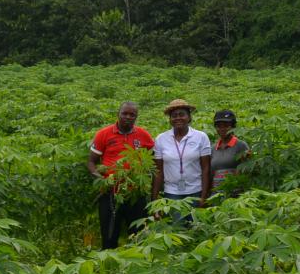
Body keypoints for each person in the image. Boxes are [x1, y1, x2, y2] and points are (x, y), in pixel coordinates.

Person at [86, 101, 154, 248]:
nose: (128, 117)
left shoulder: (144, 135)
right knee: (109, 236)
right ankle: (109, 266)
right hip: (110, 193)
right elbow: (91, 162)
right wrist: (103, 180)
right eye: (125, 113)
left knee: (138, 235)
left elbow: (153, 159)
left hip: (135, 194)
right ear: (118, 114)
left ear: (136, 117)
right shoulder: (103, 134)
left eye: (132, 115)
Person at [152, 98, 212, 211]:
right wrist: (155, 202)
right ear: (170, 119)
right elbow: (158, 171)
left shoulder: (201, 137)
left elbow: (206, 168)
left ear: (189, 117)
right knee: (177, 227)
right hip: (171, 193)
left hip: (196, 191)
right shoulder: (161, 139)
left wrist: (204, 196)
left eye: (182, 114)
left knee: (197, 226)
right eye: (174, 115)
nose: (178, 118)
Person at [210, 109, 251, 195]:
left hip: (235, 193)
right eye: (218, 126)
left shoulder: (241, 145)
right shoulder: (213, 148)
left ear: (233, 127)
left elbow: (247, 170)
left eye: (226, 126)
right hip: (216, 194)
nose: (222, 129)